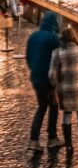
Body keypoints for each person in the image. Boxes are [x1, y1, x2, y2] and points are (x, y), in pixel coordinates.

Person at [49, 26, 78, 156]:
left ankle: (69, 146)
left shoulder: (57, 53)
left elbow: (52, 74)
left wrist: (56, 86)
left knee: (67, 115)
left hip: (64, 88)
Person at [26, 10, 62, 151]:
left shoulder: (33, 36)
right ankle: (52, 137)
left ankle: (34, 139)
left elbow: (28, 57)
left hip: (36, 77)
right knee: (53, 106)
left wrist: (34, 69)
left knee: (42, 106)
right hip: (49, 78)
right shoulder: (54, 39)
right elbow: (57, 60)